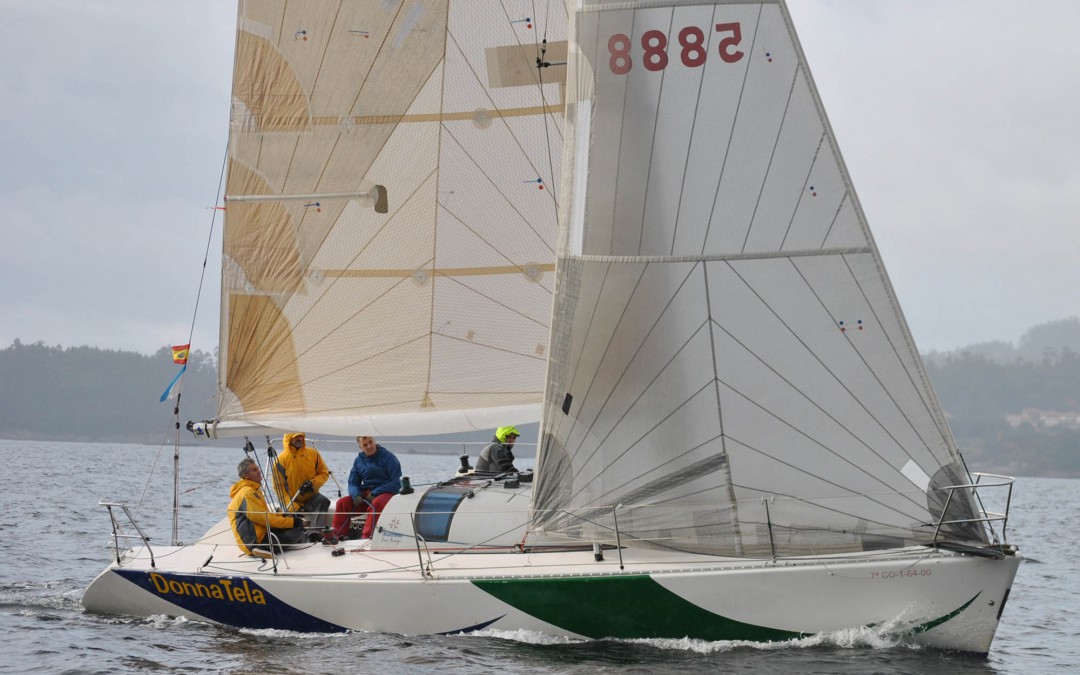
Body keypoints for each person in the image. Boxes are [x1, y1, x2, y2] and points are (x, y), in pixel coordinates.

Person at [228, 457, 306, 556]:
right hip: (254, 542)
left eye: (258, 469)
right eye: (254, 470)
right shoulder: (248, 493)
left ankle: (266, 547)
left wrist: (285, 516)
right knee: (297, 531)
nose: (259, 472)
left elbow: (265, 516)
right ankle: (264, 548)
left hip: (259, 534)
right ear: (246, 475)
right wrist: (293, 522)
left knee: (294, 526)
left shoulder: (251, 490)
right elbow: (264, 519)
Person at [332, 436, 402, 539]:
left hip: (386, 493)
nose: (369, 446)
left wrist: (376, 492)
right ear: (360, 447)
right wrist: (356, 495)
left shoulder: (389, 457)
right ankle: (338, 535)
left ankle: (366, 536)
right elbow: (353, 483)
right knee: (342, 503)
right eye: (365, 444)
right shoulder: (358, 460)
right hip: (367, 495)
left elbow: (396, 483)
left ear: (374, 441)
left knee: (376, 503)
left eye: (370, 442)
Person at [272, 432, 332, 530]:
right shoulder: (280, 461)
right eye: (296, 437)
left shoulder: (313, 454)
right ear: (288, 439)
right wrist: (293, 507)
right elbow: (279, 488)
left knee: (323, 501)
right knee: (292, 521)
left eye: (301, 436)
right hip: (292, 500)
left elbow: (324, 473)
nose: (299, 439)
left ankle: (315, 532)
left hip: (311, 498)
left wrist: (312, 483)